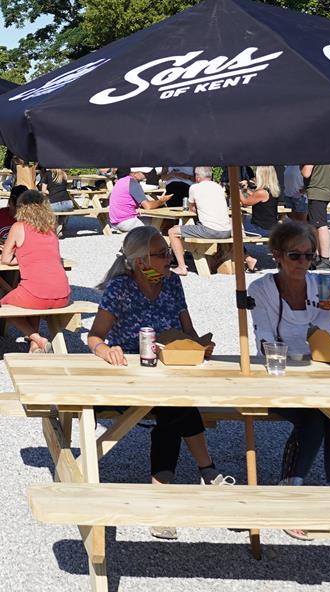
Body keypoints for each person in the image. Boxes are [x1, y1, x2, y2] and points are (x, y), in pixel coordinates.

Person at [84, 226, 232, 539]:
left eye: (167, 252)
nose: (169, 258)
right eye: (162, 253)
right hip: (128, 378)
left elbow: (188, 329)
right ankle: (205, 472)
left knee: (173, 403)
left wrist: (199, 344)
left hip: (170, 370)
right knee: (176, 406)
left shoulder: (172, 282)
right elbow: (94, 335)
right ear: (140, 262)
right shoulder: (120, 288)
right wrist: (105, 349)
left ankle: (164, 496)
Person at [248, 220, 330, 541]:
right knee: (312, 419)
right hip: (281, 375)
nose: (303, 263)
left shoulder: (323, 286)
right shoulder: (261, 289)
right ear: (277, 255)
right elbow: (264, 340)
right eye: (295, 256)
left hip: (323, 375)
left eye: (309, 257)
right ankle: (290, 497)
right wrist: (292, 373)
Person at [0, 191, 72, 352]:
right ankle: (34, 346)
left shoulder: (18, 227)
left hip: (36, 295)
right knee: (33, 294)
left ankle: (36, 338)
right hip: (63, 295)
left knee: (2, 305)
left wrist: (23, 256)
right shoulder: (51, 228)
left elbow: (5, 259)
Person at [167, 168, 256, 276]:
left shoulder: (194, 187)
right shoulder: (218, 187)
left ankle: (181, 267)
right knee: (205, 228)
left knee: (173, 231)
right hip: (227, 230)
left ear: (198, 177)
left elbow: (191, 208)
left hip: (210, 230)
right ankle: (248, 258)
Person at [302, 157, 330, 269]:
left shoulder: (314, 152)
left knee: (321, 225)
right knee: (313, 224)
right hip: (326, 190)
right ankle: (316, 257)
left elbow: (306, 173)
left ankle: (325, 260)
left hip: (316, 191)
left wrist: (301, 166)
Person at [105, 168, 162, 233]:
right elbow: (148, 206)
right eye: (144, 173)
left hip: (114, 221)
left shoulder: (121, 180)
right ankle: (153, 239)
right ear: (135, 173)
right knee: (160, 220)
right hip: (125, 222)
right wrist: (161, 201)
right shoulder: (133, 183)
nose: (147, 175)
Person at [0, 185, 30, 251]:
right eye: (18, 207)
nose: (22, 211)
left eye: (25, 208)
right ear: (10, 202)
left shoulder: (33, 218)